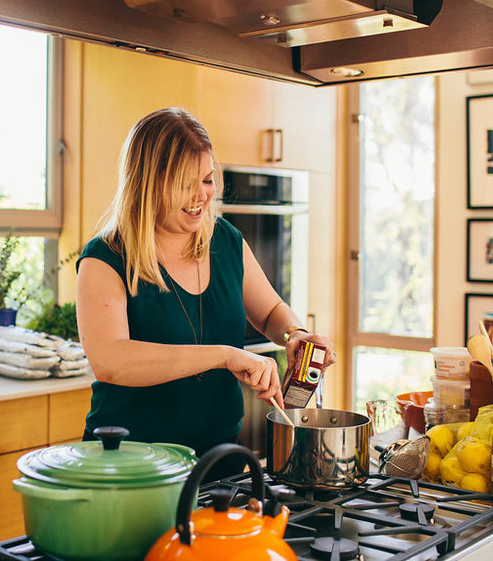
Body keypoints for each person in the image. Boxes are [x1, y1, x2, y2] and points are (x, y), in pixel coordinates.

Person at [75, 107, 336, 476]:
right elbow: (111, 361)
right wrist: (223, 356)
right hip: (132, 467)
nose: (202, 195)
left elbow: (269, 311)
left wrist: (295, 334)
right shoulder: (106, 257)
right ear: (148, 183)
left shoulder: (225, 240)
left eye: (208, 179)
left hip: (220, 460)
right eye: (186, 183)